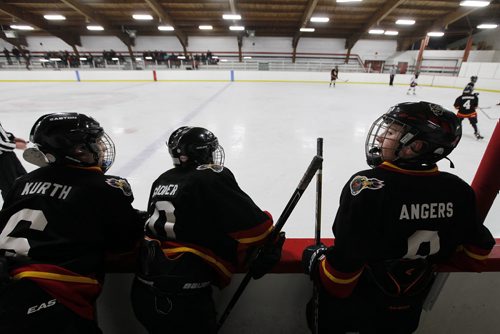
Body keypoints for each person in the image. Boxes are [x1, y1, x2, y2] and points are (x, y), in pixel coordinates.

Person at [302, 101, 494, 334]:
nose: (381, 137)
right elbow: (477, 253)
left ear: (416, 146)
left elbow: (339, 280)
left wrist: (314, 259)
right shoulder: (459, 191)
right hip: (406, 313)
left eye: (391, 132)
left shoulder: (367, 187)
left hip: (356, 311)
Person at [131, 126, 285, 334]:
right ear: (202, 152)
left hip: (143, 291)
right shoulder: (210, 176)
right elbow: (258, 230)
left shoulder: (162, 179)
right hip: (184, 297)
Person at [0, 112, 145, 334]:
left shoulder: (21, 182)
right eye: (96, 142)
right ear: (79, 151)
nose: (102, 148)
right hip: (51, 295)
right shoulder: (105, 187)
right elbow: (124, 242)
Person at [0, 122, 27, 200]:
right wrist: (15, 145)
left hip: (8, 156)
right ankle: (11, 210)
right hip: (2, 160)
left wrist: (12, 138)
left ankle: (24, 206)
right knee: (10, 187)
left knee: (23, 179)